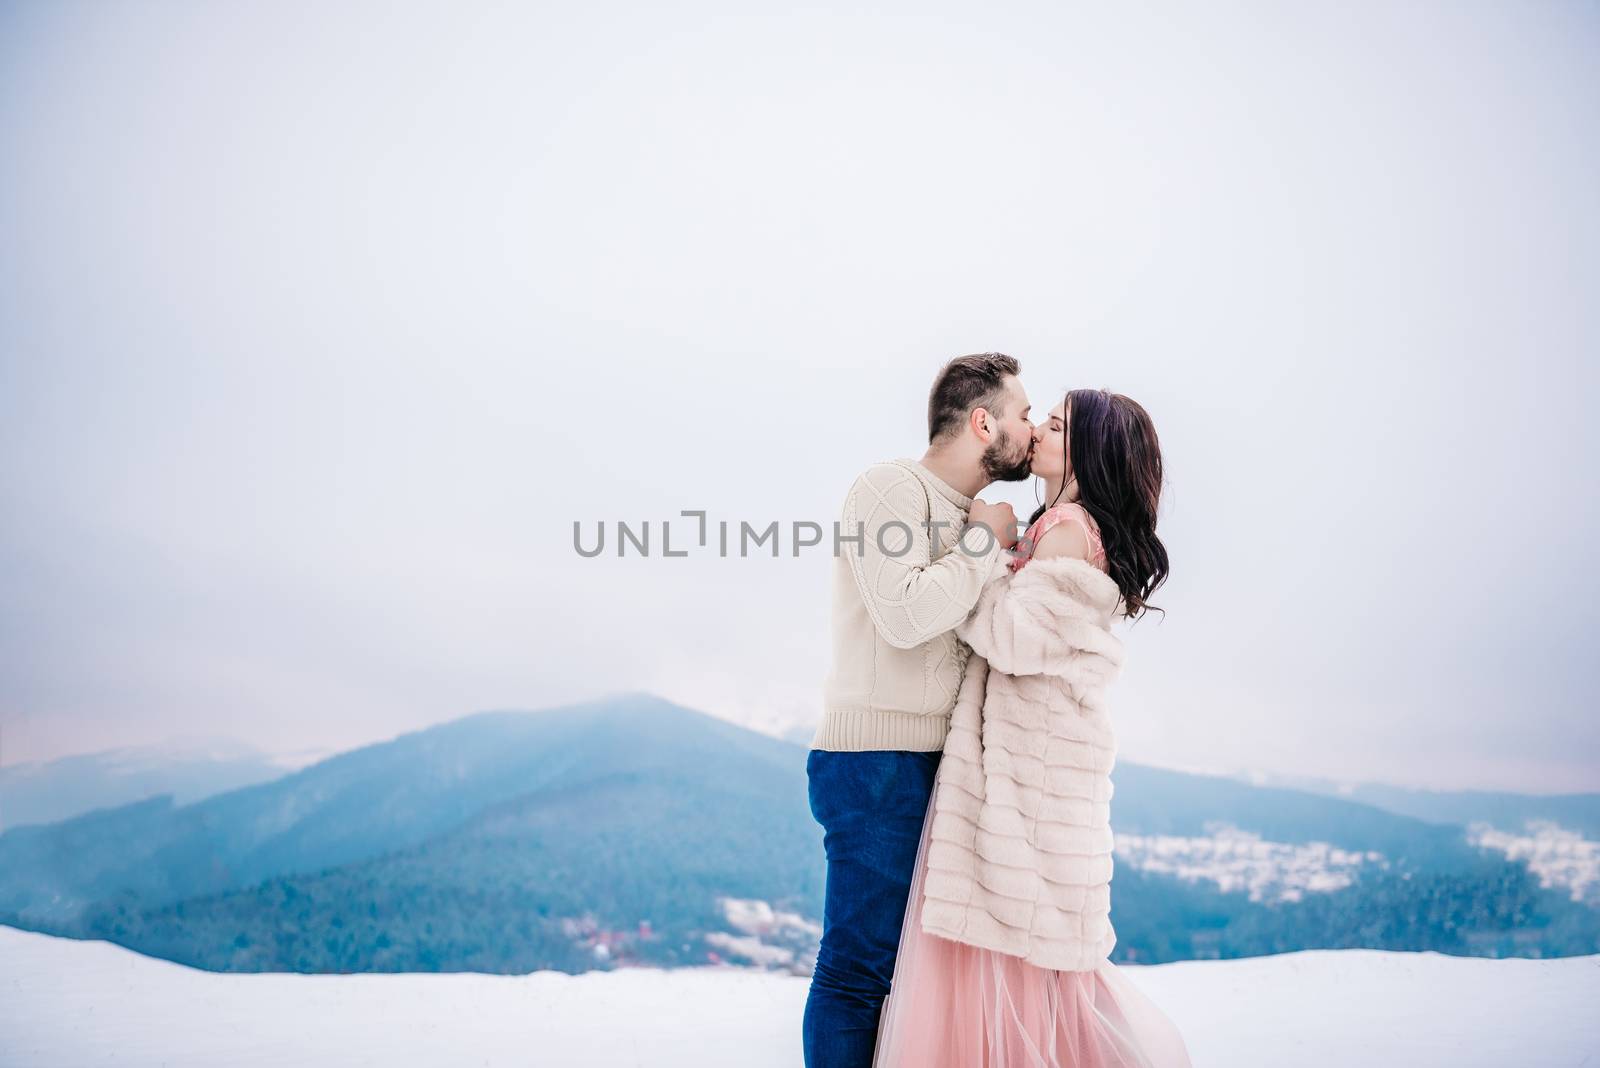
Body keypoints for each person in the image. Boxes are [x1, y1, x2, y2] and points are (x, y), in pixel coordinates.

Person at [872, 388, 1193, 1068]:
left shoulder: (1070, 527)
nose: (1041, 432)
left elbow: (1014, 637)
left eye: (1056, 425)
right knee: (1021, 957)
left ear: (1088, 449)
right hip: (1032, 758)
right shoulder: (1059, 524)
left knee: (1012, 949)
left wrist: (982, 546)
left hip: (1031, 769)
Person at [802, 353, 1037, 1068]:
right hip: (876, 764)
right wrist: (983, 541)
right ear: (982, 421)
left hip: (944, 765)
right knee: (859, 970)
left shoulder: (981, 522)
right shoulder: (886, 490)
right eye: (1024, 415)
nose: (1031, 429)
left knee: (918, 980)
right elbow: (906, 616)